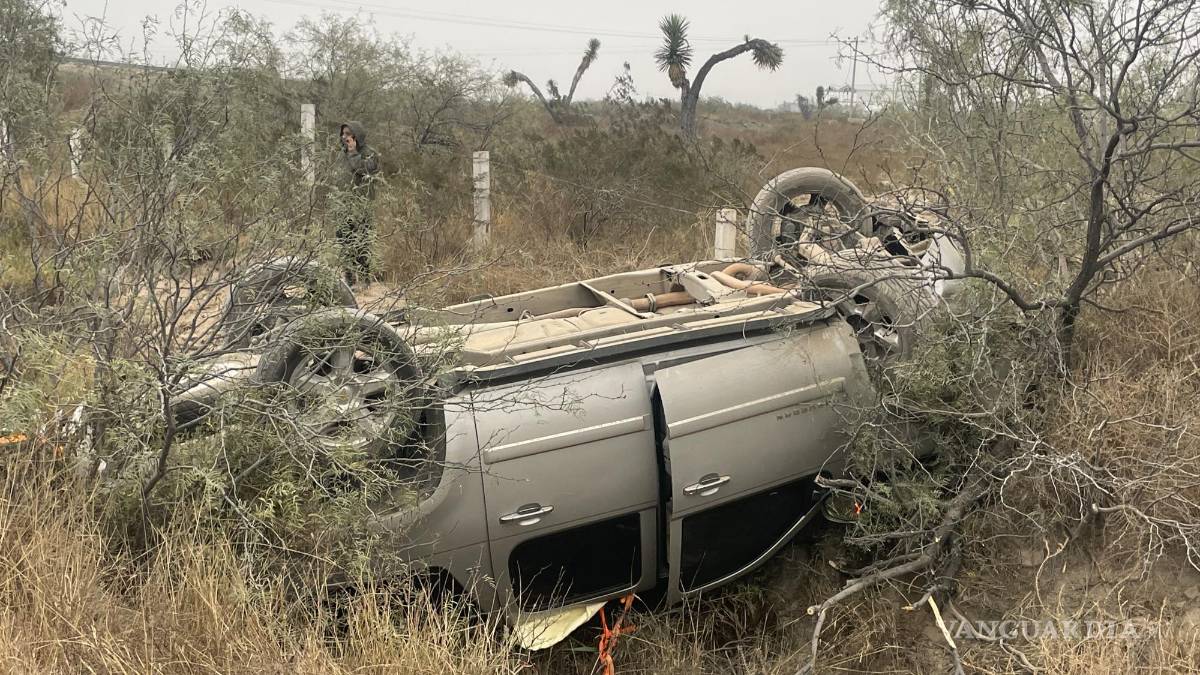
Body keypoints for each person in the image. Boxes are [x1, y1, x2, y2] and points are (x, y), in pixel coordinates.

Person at [337, 121, 380, 287]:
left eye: (348, 134)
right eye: (343, 134)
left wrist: (354, 153)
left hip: (361, 206)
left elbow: (365, 170)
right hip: (343, 205)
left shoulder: (370, 154)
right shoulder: (342, 154)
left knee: (362, 241)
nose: (344, 137)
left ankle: (365, 279)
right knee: (345, 241)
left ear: (357, 135)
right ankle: (349, 278)